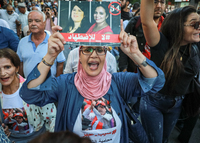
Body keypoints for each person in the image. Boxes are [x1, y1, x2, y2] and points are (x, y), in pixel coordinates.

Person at [19, 22, 165, 143]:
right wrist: (50, 56)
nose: (93, 55)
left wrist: (135, 54)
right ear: (79, 56)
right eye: (87, 50)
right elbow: (29, 94)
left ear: (106, 55)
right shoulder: (65, 84)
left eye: (99, 50)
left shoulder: (118, 82)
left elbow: (156, 82)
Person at [140, 0, 200, 142]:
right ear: (178, 25)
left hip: (177, 105)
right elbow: (147, 22)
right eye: (195, 24)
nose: (199, 28)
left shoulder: (195, 48)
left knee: (165, 139)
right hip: (154, 102)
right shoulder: (161, 44)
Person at [0, 48, 56, 142]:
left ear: (17, 68)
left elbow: (51, 118)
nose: (2, 73)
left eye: (7, 67)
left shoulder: (32, 88)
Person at [17, 10, 65, 78]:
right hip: (28, 86)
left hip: (49, 86)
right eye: (30, 21)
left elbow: (60, 64)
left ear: (44, 23)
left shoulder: (53, 41)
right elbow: (20, 63)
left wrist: (57, 84)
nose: (33, 24)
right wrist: (21, 83)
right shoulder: (22, 42)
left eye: (37, 21)